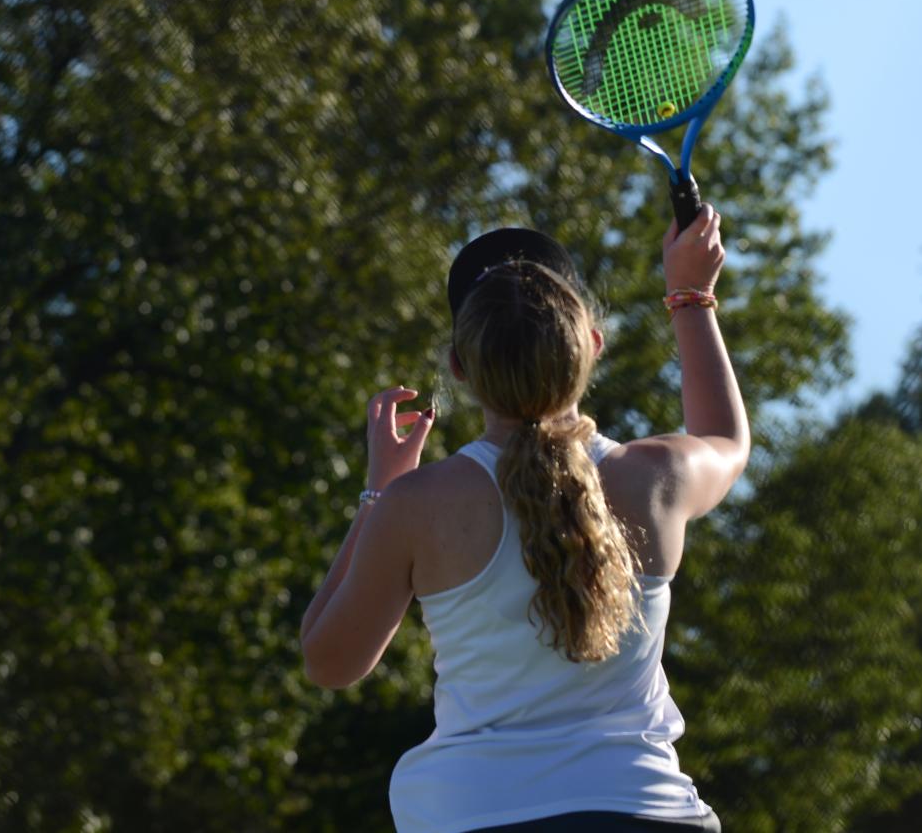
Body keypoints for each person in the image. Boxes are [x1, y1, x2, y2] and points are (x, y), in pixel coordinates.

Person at [300, 207, 744, 831]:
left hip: (475, 813)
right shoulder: (654, 477)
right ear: (591, 344)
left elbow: (329, 661)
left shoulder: (417, 506)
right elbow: (725, 438)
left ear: (459, 367)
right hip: (645, 812)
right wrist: (690, 296)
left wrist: (379, 493)